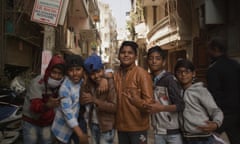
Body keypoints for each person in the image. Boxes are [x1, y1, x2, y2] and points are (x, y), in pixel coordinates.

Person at [175, 59, 223, 144]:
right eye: (179, 72)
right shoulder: (176, 92)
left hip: (202, 138)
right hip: (185, 137)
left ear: (193, 74)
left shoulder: (200, 91)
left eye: (187, 71)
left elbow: (216, 110)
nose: (183, 75)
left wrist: (216, 124)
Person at [113, 41, 153, 144]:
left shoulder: (142, 74)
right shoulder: (116, 75)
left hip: (138, 128)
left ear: (135, 56)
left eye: (130, 53)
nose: (126, 55)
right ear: (118, 55)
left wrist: (137, 102)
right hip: (121, 127)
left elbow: (149, 104)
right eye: (123, 52)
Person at [143, 46, 185, 144]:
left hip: (173, 133)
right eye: (151, 58)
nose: (154, 61)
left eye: (157, 58)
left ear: (164, 62)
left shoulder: (169, 80)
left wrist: (161, 108)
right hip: (158, 132)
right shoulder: (148, 80)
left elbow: (180, 105)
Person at [22, 54, 65, 144]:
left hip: (47, 124)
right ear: (49, 71)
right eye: (54, 72)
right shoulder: (37, 83)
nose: (56, 77)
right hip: (32, 123)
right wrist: (47, 105)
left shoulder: (61, 84)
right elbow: (35, 107)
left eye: (60, 74)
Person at [206, 37, 240, 144]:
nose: (208, 52)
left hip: (223, 113)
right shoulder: (235, 64)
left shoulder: (213, 69)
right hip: (237, 110)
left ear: (215, 49)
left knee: (207, 137)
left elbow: (213, 94)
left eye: (209, 49)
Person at [51, 54, 88, 144]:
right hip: (63, 127)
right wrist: (80, 135)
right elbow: (68, 114)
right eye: (71, 70)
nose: (75, 73)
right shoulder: (65, 88)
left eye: (78, 69)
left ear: (83, 70)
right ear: (67, 72)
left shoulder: (84, 81)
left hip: (80, 120)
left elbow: (100, 74)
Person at [80, 54, 117, 144]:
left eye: (98, 71)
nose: (96, 76)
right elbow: (82, 101)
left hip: (106, 127)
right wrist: (85, 81)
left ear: (103, 69)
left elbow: (114, 107)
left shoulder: (110, 82)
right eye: (92, 74)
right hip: (93, 125)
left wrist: (95, 100)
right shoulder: (89, 83)